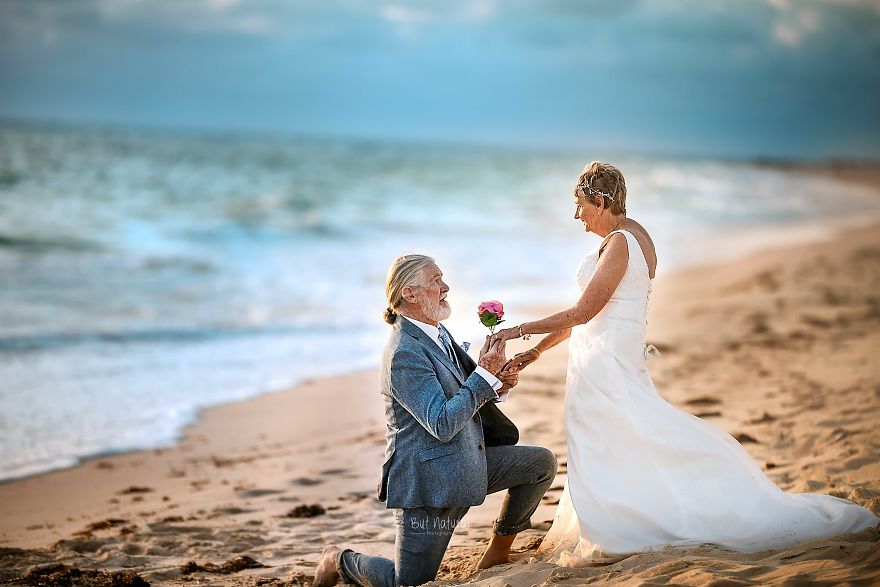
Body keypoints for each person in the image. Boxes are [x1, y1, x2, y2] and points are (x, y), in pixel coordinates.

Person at [492, 161, 878, 563]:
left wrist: (516, 330)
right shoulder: (636, 235)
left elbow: (585, 311)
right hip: (607, 357)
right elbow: (591, 313)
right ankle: (619, 515)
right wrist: (537, 352)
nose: (577, 216)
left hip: (605, 366)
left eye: (581, 206)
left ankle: (623, 525)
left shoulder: (622, 242)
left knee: (615, 440)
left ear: (602, 202)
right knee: (622, 441)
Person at [313, 254, 558, 586]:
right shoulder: (404, 353)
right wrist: (484, 378)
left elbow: (468, 390)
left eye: (443, 279)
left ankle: (497, 553)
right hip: (429, 485)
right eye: (435, 280)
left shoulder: (436, 331)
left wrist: (499, 383)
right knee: (408, 584)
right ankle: (338, 559)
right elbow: (442, 423)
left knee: (539, 463)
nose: (446, 287)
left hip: (469, 464)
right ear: (410, 294)